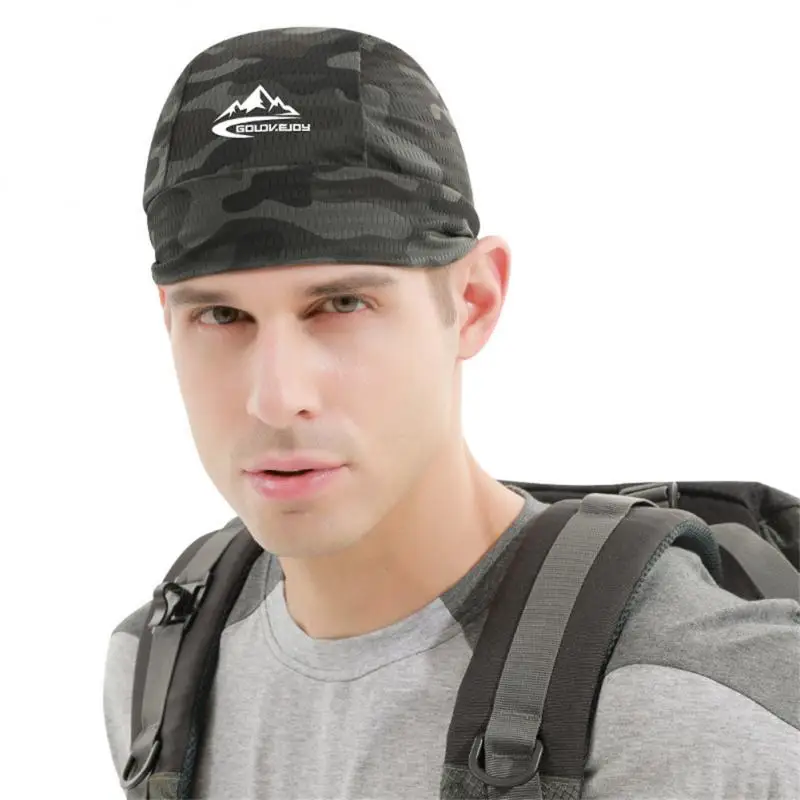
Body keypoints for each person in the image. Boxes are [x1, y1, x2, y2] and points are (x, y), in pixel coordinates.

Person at [103, 26, 800, 799]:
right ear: (167, 318)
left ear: (473, 301)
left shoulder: (685, 711)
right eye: (221, 315)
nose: (274, 396)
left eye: (341, 304)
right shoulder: (158, 671)